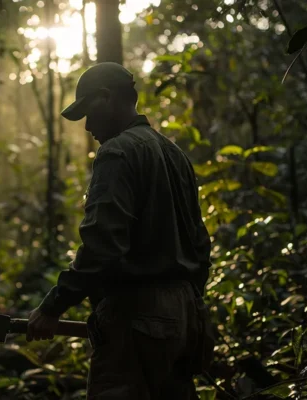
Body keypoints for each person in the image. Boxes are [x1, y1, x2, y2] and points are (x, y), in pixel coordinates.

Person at [26, 62, 213, 399]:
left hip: (137, 315)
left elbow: (103, 246)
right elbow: (200, 244)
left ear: (106, 98)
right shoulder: (176, 155)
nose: (87, 126)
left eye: (87, 111)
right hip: (186, 316)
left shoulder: (117, 152)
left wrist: (53, 306)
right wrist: (185, 306)